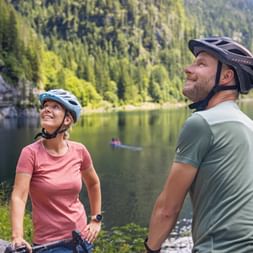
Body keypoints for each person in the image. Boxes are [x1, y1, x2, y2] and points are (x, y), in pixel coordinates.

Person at [144, 37, 253, 253]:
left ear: (227, 75)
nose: (188, 69)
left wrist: (150, 249)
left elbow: (168, 208)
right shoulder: (249, 125)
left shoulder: (202, 122)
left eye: (201, 64)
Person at [10, 89, 102, 253]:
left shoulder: (79, 151)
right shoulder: (30, 154)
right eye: (45, 106)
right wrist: (17, 236)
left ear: (67, 119)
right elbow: (19, 196)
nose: (46, 109)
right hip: (49, 245)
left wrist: (96, 219)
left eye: (55, 107)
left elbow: (93, 183)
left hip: (82, 240)